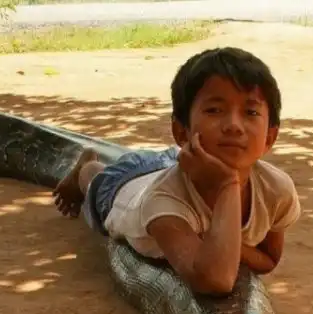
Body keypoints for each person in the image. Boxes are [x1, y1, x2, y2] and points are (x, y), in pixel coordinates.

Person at [53, 46, 300, 296]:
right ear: (182, 131)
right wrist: (227, 184)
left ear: (270, 137)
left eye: (251, 112)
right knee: (97, 183)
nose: (234, 126)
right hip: (126, 186)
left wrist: (216, 240)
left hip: (176, 161)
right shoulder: (163, 200)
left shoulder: (276, 189)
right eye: (214, 110)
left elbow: (268, 260)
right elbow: (215, 281)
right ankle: (86, 166)